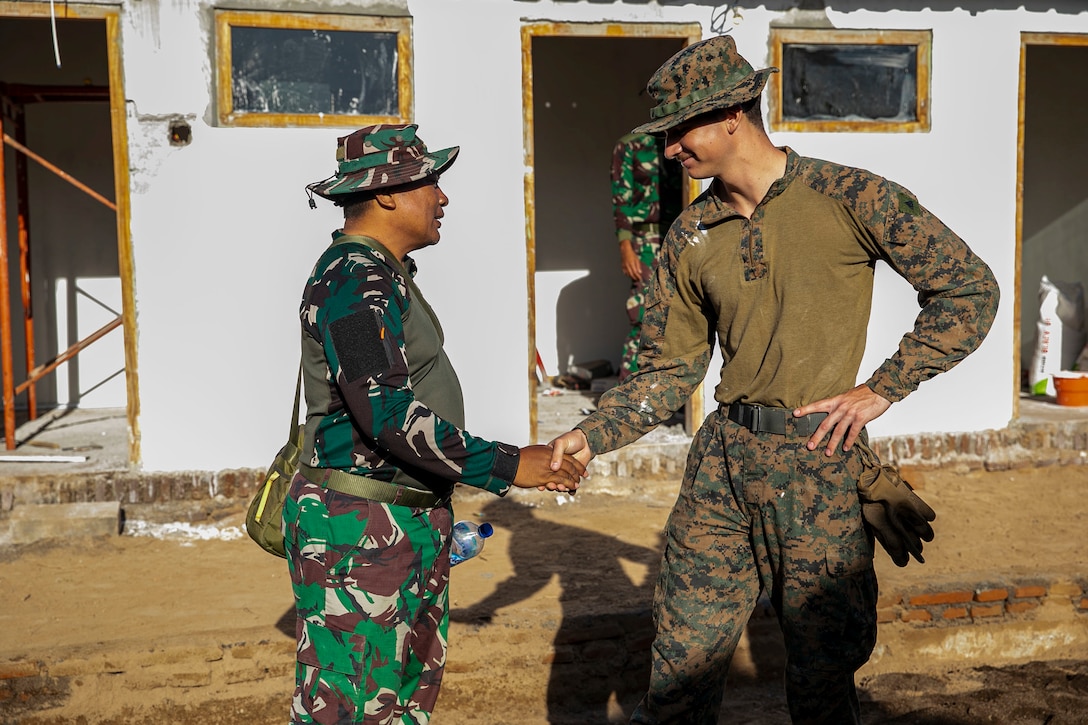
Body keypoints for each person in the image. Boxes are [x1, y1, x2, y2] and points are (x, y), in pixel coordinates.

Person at [550, 35, 999, 724]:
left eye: (681, 131)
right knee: (680, 669)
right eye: (665, 136)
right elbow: (668, 370)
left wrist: (883, 386)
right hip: (722, 466)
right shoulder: (688, 235)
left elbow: (968, 289)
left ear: (733, 114)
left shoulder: (849, 195)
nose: (671, 150)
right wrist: (591, 433)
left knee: (821, 680)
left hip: (819, 464)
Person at [289, 123, 584, 725]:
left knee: (398, 707)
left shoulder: (382, 273)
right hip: (362, 531)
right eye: (431, 184)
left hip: (398, 520)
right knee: (352, 711)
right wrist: (508, 466)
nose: (442, 198)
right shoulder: (354, 279)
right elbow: (383, 411)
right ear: (389, 193)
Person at [611, 132, 683, 380]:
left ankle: (662, 385)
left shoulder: (681, 142)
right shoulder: (631, 146)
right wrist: (625, 246)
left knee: (677, 315)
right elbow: (621, 197)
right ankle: (628, 387)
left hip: (677, 236)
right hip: (644, 240)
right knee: (641, 314)